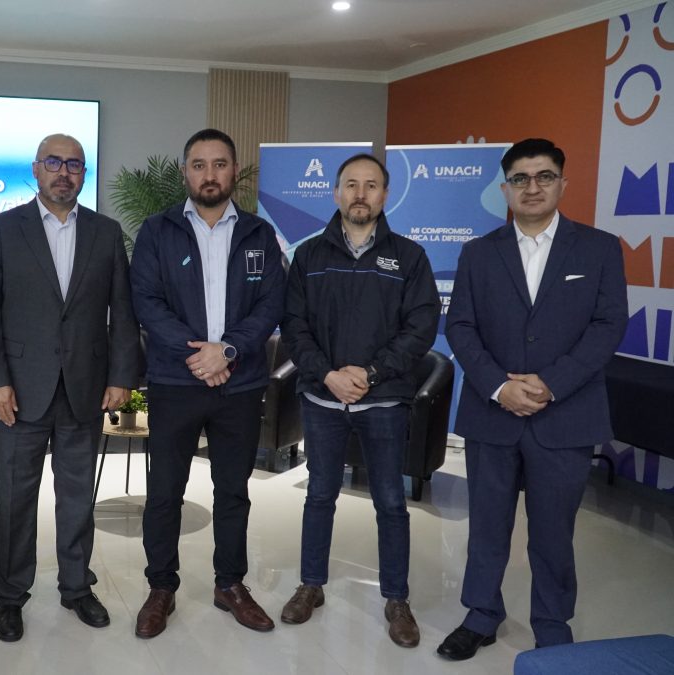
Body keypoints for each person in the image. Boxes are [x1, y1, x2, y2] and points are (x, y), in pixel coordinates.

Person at [437, 138, 628, 660]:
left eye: (544, 176)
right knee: (487, 527)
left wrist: (550, 383)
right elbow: (461, 326)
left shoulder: (599, 248)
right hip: (492, 414)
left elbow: (608, 325)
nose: (532, 187)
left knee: (553, 533)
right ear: (505, 188)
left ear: (563, 183)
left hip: (564, 415)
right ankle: (481, 614)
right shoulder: (479, 252)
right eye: (520, 178)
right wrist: (500, 386)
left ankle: (551, 622)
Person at [0, 133, 139, 642]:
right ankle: (10, 596)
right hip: (17, 392)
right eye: (54, 163)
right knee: (15, 499)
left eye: (74, 165)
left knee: (77, 497)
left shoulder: (106, 233)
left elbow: (122, 313)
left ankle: (75, 587)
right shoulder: (3, 228)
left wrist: (121, 376)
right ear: (36, 169)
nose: (64, 172)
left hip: (85, 389)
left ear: (83, 174)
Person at [130, 128, 286, 638]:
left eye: (219, 164)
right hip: (177, 381)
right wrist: (200, 355)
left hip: (238, 386)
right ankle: (161, 587)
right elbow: (147, 302)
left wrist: (230, 351)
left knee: (233, 491)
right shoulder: (157, 231)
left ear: (234, 171)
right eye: (199, 164)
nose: (210, 174)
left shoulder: (261, 234)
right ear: (185, 172)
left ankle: (230, 585)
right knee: (164, 492)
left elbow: (271, 306)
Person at [279, 153, 439, 647]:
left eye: (371, 186)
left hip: (384, 402)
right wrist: (328, 375)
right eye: (352, 185)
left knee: (391, 502)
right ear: (336, 193)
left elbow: (421, 328)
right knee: (320, 496)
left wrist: (368, 374)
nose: (361, 194)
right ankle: (311, 585)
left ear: (385, 195)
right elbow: (294, 325)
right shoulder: (308, 256)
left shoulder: (409, 257)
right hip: (323, 400)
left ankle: (396, 597)